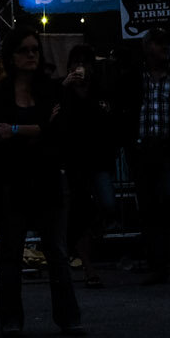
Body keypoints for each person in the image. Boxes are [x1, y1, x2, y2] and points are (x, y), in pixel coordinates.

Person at [0, 28, 80, 335]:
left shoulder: (52, 90)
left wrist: (20, 131)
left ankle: (68, 317)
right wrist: (39, 128)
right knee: (10, 253)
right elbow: (0, 134)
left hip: (47, 180)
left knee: (57, 253)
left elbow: (60, 133)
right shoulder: (0, 94)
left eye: (35, 49)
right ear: (11, 55)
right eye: (24, 49)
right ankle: (10, 319)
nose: (31, 54)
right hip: (13, 182)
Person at [111, 29, 170, 283]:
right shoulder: (133, 78)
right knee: (149, 207)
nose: (165, 48)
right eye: (160, 43)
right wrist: (128, 141)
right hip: (142, 149)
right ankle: (158, 263)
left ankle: (166, 255)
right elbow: (122, 110)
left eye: (167, 44)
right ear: (147, 47)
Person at [58, 45, 119, 288]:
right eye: (76, 62)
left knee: (108, 204)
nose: (80, 68)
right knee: (81, 210)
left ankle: (89, 237)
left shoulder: (100, 89)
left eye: (84, 63)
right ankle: (88, 267)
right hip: (74, 161)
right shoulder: (64, 90)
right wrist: (66, 87)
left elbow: (109, 117)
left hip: (98, 158)